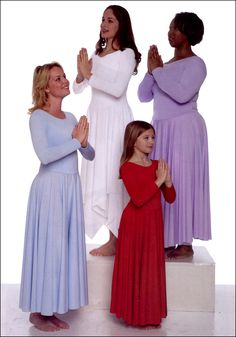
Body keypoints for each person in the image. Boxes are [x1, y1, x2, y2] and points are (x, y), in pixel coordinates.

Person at [19, 62, 95, 332]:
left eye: (64, 76)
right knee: (49, 249)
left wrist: (83, 143)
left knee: (62, 249)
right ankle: (38, 312)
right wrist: (76, 141)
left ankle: (51, 308)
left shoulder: (72, 118)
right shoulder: (38, 118)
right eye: (58, 78)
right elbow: (45, 156)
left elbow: (90, 154)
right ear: (45, 87)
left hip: (69, 189)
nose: (65, 81)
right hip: (50, 189)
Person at [138, 12, 211, 259]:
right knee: (161, 181)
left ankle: (185, 242)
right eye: (170, 28)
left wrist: (157, 72)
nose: (171, 33)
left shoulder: (197, 65)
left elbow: (181, 94)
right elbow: (143, 96)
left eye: (176, 29)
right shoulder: (163, 67)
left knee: (182, 180)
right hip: (161, 130)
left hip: (184, 129)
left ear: (188, 33)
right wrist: (151, 72)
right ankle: (167, 238)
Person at [73, 4, 141, 256]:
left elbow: (116, 89)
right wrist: (81, 76)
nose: (104, 24)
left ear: (121, 24)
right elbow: (78, 88)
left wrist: (88, 75)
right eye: (102, 19)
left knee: (113, 173)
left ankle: (116, 238)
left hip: (116, 121)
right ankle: (108, 236)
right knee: (97, 172)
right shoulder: (97, 53)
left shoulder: (127, 55)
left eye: (110, 20)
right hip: (97, 119)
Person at [110, 120, 176, 328]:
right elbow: (138, 199)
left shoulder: (158, 166)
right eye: (146, 137)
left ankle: (149, 314)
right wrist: (158, 181)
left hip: (153, 225)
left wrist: (167, 182)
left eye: (153, 137)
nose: (151, 141)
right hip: (134, 224)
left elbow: (171, 198)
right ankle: (135, 315)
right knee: (136, 267)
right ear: (133, 141)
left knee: (150, 268)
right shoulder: (127, 167)